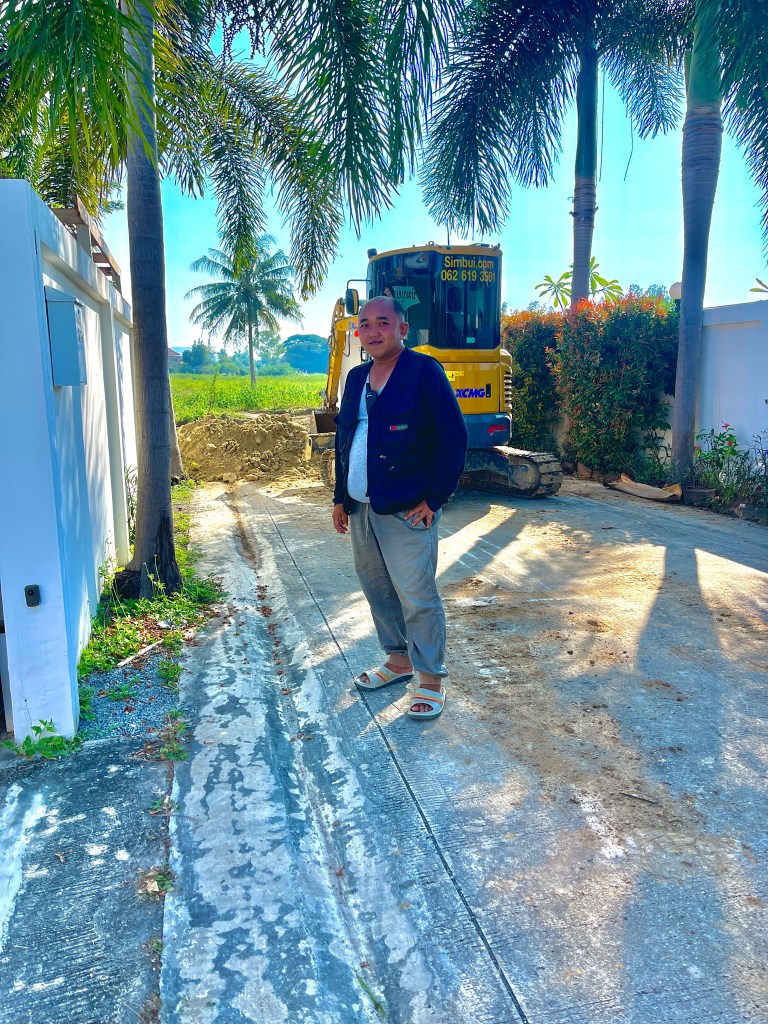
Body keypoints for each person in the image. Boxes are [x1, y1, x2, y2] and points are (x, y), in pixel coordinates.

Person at [331, 296, 468, 719]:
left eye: (383, 323)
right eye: (365, 324)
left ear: (402, 329)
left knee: (417, 595)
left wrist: (436, 498)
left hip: (407, 507)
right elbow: (344, 439)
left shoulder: (423, 371)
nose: (373, 331)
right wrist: (340, 497)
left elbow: (454, 436)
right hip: (360, 507)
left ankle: (430, 679)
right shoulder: (356, 377)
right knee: (377, 589)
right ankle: (398, 660)